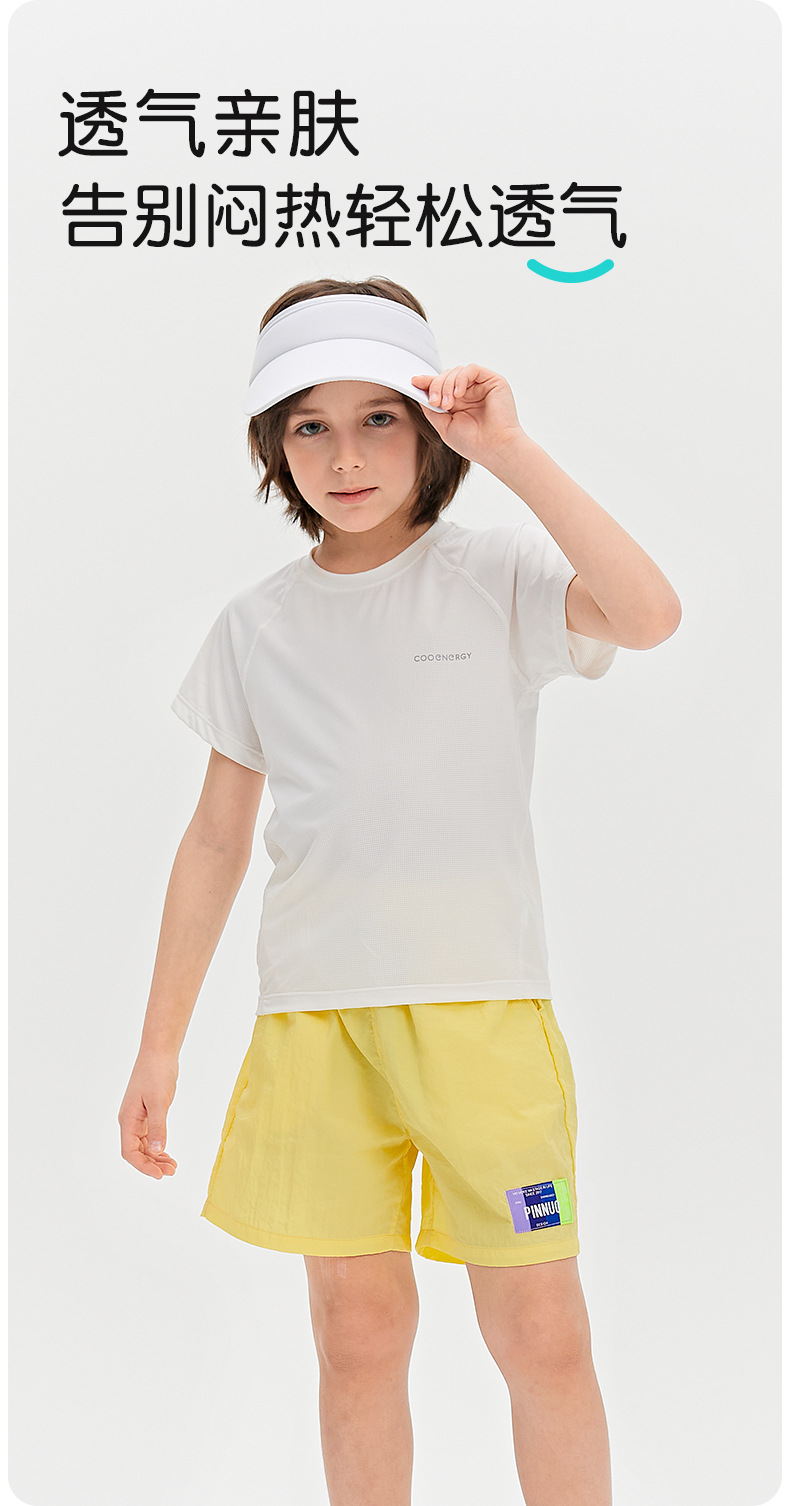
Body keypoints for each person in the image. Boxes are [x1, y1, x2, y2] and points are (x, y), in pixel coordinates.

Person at [118, 275, 681, 1506]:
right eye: (309, 425)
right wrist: (160, 1046)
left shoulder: (496, 574)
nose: (345, 456)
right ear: (273, 448)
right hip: (316, 1021)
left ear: (431, 428)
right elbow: (214, 843)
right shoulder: (255, 627)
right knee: (357, 1333)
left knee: (541, 1331)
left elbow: (647, 616)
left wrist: (511, 452)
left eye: (379, 417)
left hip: (483, 1016)